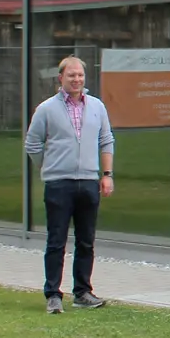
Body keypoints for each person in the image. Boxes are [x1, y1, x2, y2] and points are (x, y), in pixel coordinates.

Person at [23, 56, 114, 313]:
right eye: (71, 75)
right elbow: (32, 144)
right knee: (56, 241)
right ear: (60, 78)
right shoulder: (46, 109)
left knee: (86, 240)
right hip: (58, 184)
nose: (77, 79)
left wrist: (107, 174)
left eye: (80, 76)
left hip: (88, 182)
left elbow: (106, 140)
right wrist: (49, 166)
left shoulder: (96, 106)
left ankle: (83, 292)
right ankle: (53, 294)